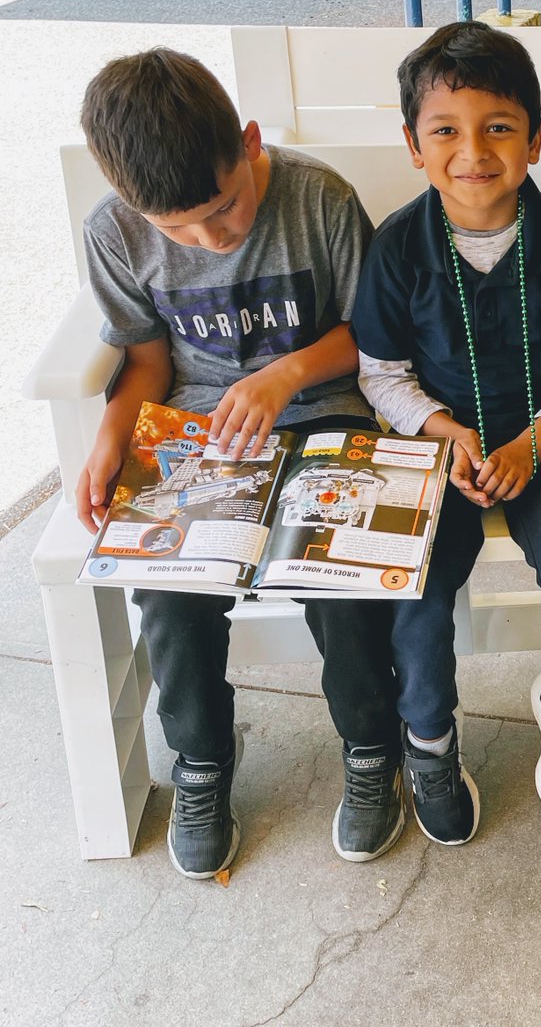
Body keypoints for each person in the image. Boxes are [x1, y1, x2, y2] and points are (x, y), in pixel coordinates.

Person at [77, 48, 406, 878]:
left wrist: (284, 374)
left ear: (251, 142)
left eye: (222, 208)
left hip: (323, 412)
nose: (209, 238)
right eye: (177, 229)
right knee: (168, 591)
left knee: (339, 578)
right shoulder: (114, 231)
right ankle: (200, 762)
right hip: (196, 435)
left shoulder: (319, 197)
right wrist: (113, 433)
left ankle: (373, 745)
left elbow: (371, 333)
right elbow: (145, 362)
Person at [352, 21, 541, 846]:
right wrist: (444, 432)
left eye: (498, 127)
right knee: (417, 584)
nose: (472, 152)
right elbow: (379, 372)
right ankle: (429, 739)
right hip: (438, 447)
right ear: (413, 145)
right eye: (445, 131)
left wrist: (532, 443)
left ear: (534, 139)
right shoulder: (397, 247)